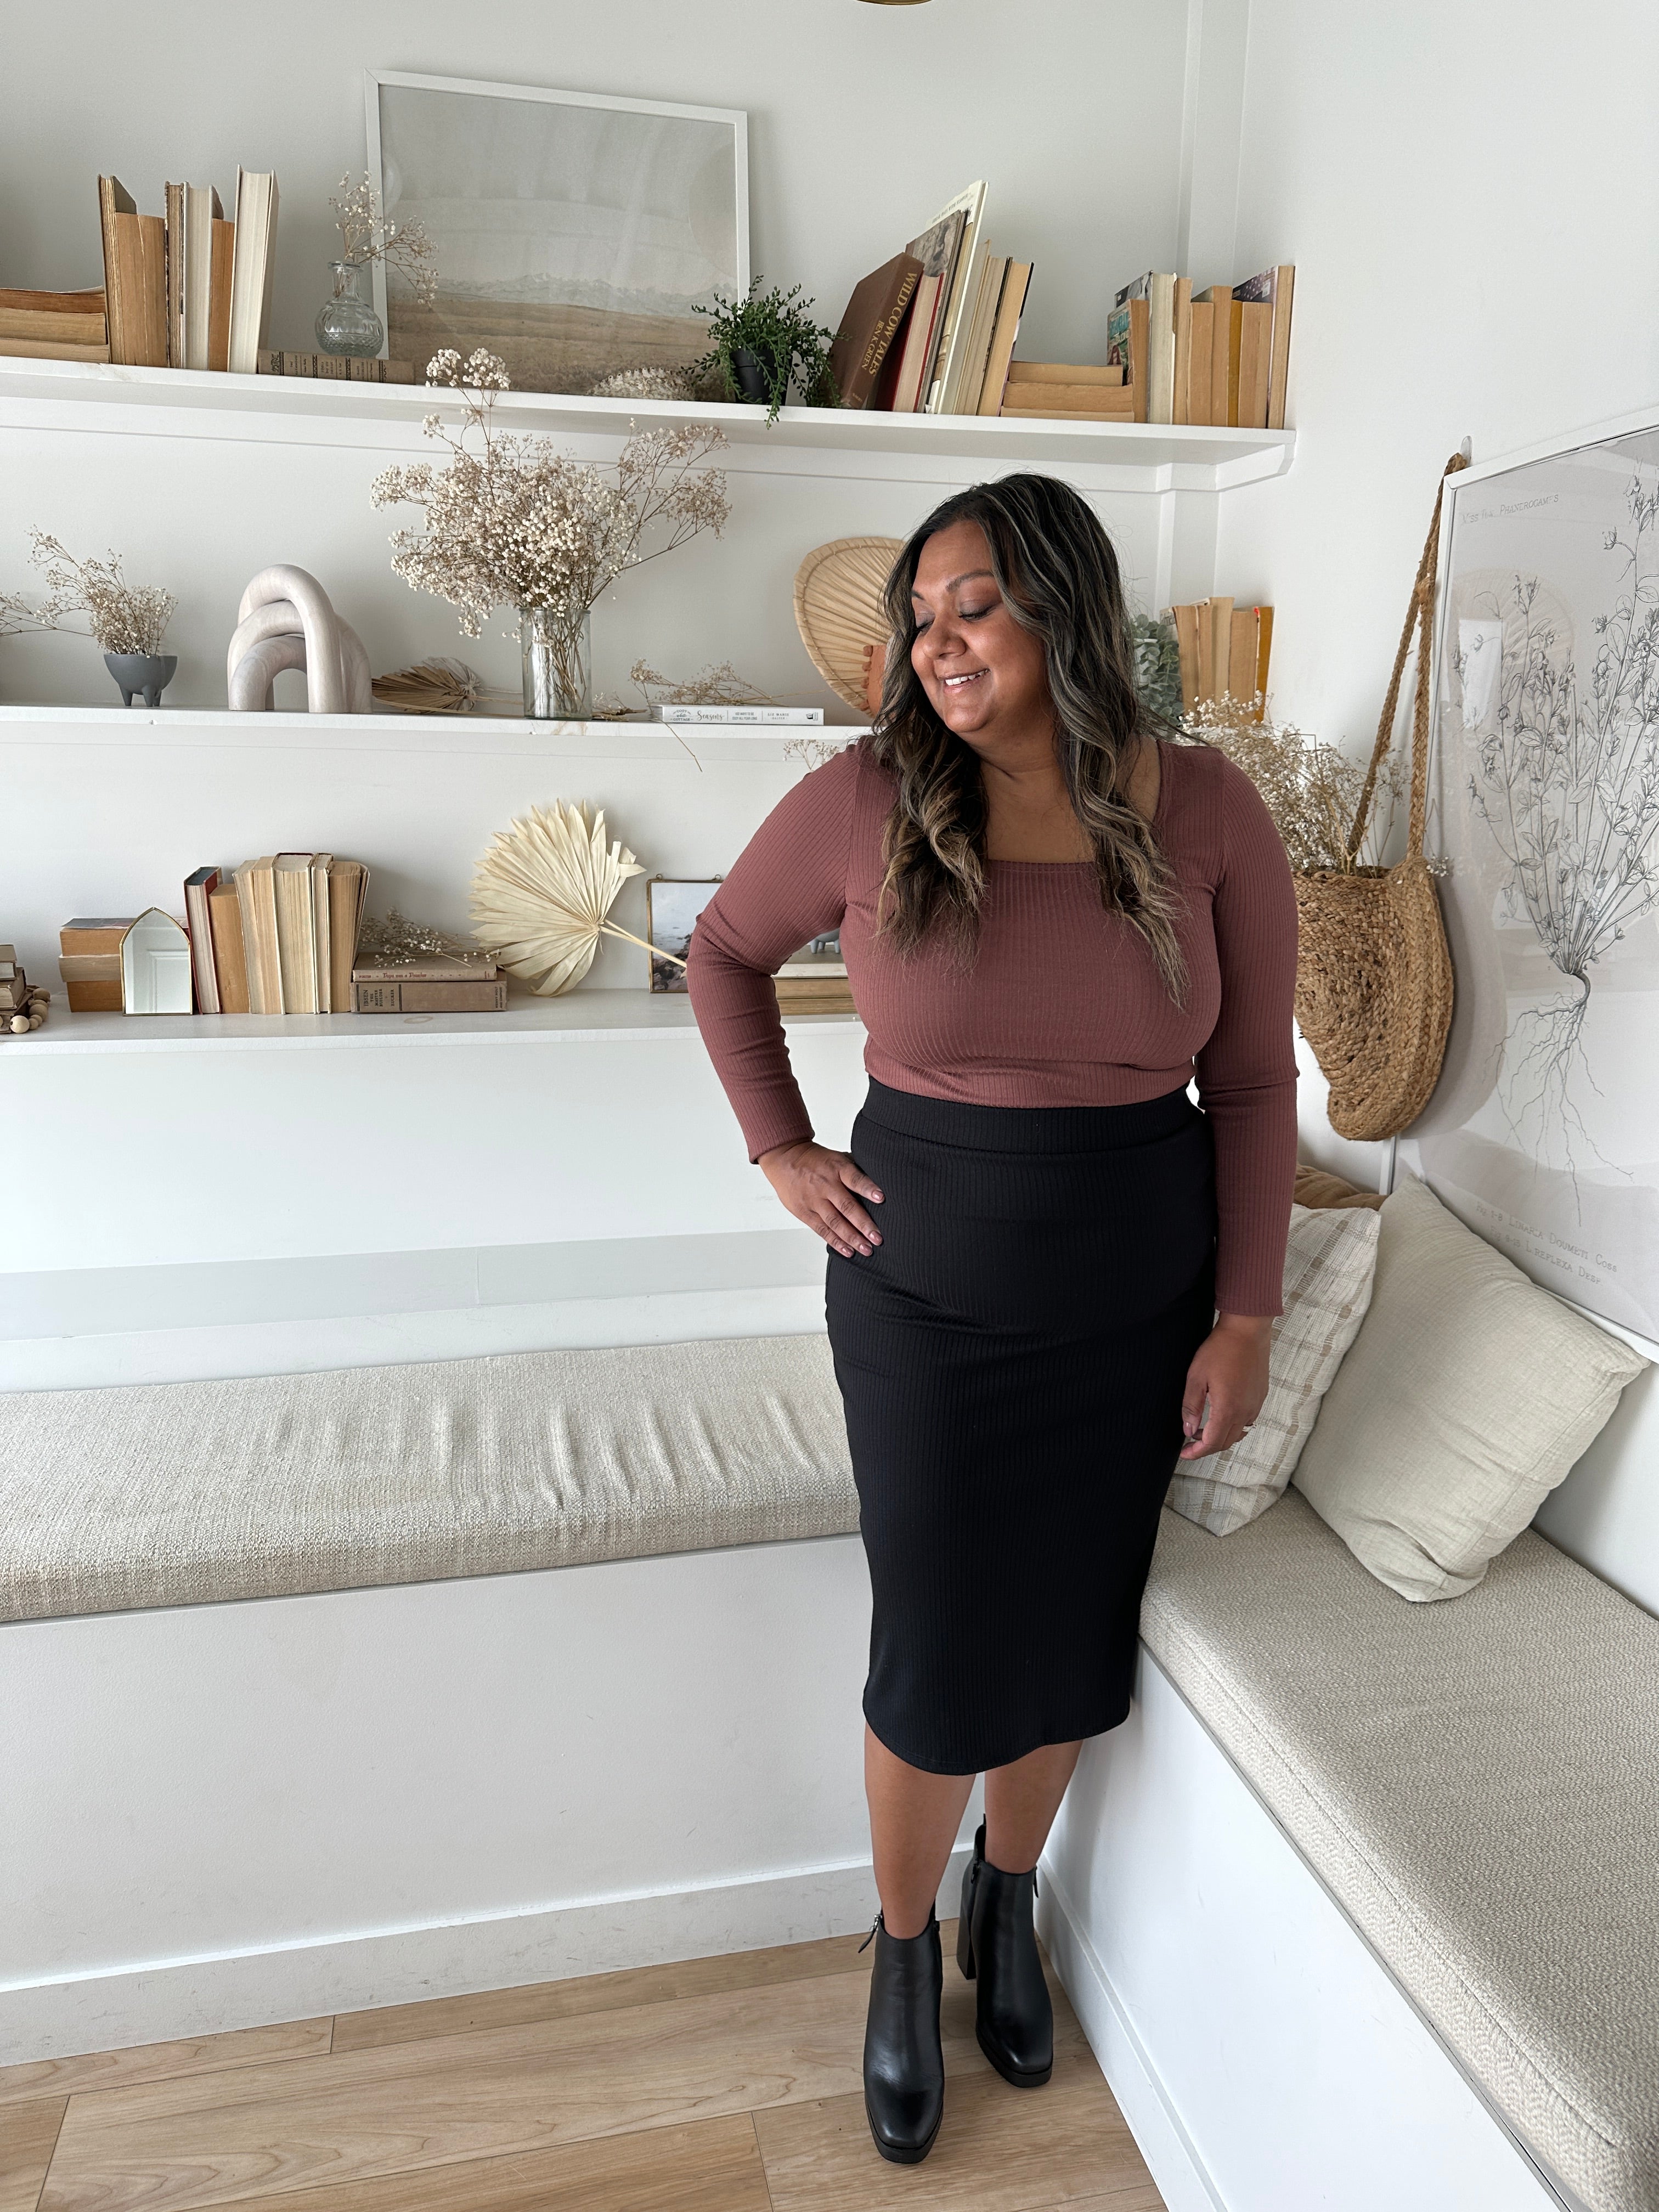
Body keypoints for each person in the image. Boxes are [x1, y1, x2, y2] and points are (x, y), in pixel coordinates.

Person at [685, 473, 1297, 2164]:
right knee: (943, 1639)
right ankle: (897, 1953)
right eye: (921, 616)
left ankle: (1002, 1905)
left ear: (1064, 609)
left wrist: (1246, 1314)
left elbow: (1250, 1083)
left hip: (1137, 1284)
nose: (937, 641)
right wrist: (782, 1150)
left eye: (974, 605)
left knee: (1069, 1642)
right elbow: (721, 956)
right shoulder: (866, 796)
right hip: (926, 1291)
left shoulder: (1213, 811)